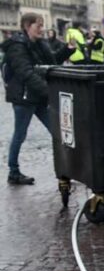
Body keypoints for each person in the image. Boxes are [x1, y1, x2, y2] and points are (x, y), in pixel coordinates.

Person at [3, 13, 73, 185]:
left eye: (42, 26)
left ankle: (69, 167)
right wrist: (49, 91)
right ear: (27, 26)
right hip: (24, 97)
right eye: (38, 26)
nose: (42, 29)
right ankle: (13, 172)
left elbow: (52, 61)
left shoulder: (40, 43)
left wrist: (68, 50)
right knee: (20, 135)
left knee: (57, 130)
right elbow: (25, 73)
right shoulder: (17, 46)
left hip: (38, 96)